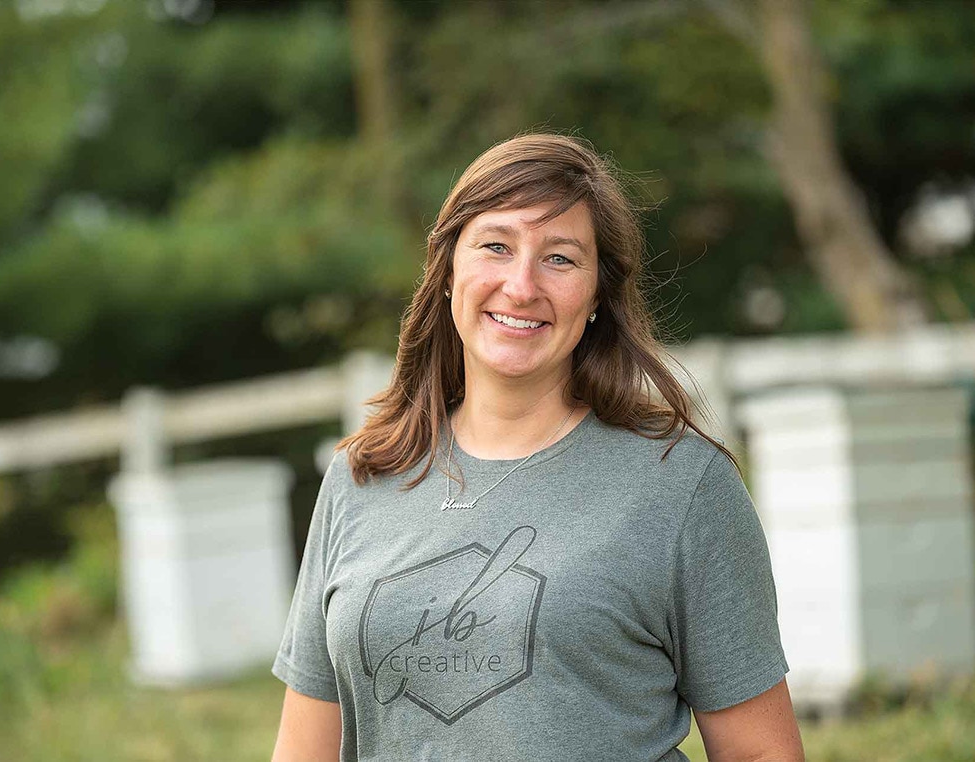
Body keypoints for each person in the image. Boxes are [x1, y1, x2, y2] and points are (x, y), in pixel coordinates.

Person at [270, 133, 805, 761]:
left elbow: (761, 753)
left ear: (598, 295)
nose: (521, 287)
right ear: (447, 272)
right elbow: (302, 753)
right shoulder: (361, 479)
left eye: (560, 258)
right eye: (496, 246)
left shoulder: (681, 483)